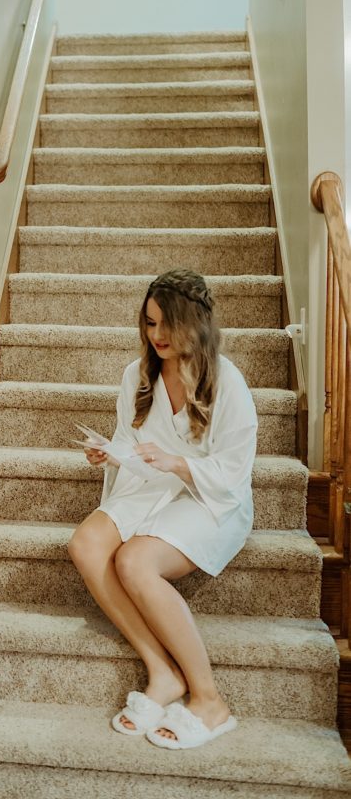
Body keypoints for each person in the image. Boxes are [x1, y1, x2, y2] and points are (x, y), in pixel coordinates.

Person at [67, 269, 257, 750]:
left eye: (167, 325)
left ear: (197, 323)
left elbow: (233, 471)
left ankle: (209, 700)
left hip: (207, 496)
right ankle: (161, 671)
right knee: (85, 545)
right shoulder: (138, 374)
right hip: (148, 484)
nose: (157, 337)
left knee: (134, 561)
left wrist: (178, 463)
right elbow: (133, 443)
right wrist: (110, 451)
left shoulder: (227, 382)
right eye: (150, 324)